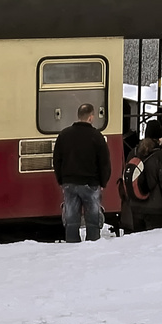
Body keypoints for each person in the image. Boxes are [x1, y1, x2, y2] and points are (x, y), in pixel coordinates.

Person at [52, 102, 110, 242]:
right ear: (90, 117)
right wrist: (103, 182)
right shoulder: (97, 136)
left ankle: (72, 247)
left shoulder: (64, 135)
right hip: (91, 184)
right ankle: (92, 248)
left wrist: (61, 180)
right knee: (92, 221)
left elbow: (57, 160)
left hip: (69, 183)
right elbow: (104, 162)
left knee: (71, 221)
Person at [127, 119, 162, 230]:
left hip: (135, 207)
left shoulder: (133, 152)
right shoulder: (161, 157)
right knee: (154, 244)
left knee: (139, 243)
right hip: (155, 210)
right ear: (159, 139)